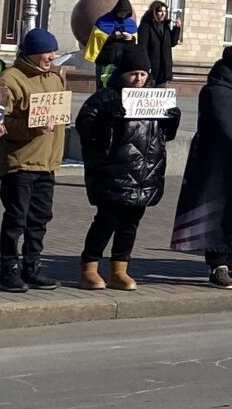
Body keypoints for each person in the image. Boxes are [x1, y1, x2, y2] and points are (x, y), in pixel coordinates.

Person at [75, 44, 176, 288]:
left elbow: (163, 136)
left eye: (143, 74)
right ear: (122, 73)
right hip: (113, 173)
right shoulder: (105, 97)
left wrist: (172, 119)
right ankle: (89, 267)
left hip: (144, 174)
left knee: (131, 223)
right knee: (106, 220)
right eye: (133, 74)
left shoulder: (155, 98)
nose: (139, 79)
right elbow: (85, 129)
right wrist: (110, 119)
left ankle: (120, 269)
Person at [172, 45, 232, 286]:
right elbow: (225, 127)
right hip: (221, 165)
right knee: (220, 212)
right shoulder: (215, 92)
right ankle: (218, 265)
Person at [0, 26, 71, 291]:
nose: (52, 56)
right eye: (48, 51)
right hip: (20, 163)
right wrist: (30, 129)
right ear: (34, 53)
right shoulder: (9, 79)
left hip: (47, 163)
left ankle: (32, 267)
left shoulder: (55, 78)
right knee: (16, 219)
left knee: (39, 219)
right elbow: (0, 122)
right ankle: (8, 271)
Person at [138, 0, 182, 86]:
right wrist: (146, 66)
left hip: (164, 69)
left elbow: (172, 43)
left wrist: (177, 28)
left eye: (165, 11)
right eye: (160, 11)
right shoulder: (146, 26)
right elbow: (142, 47)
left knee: (162, 96)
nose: (163, 14)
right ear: (154, 12)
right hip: (152, 69)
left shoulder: (165, 26)